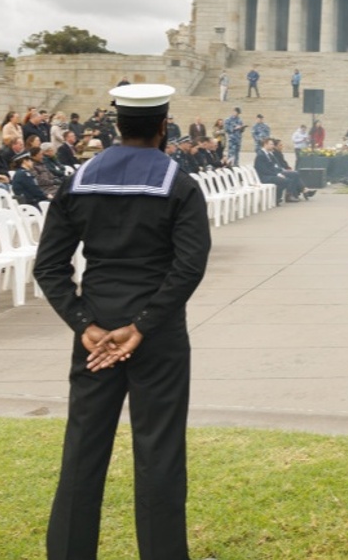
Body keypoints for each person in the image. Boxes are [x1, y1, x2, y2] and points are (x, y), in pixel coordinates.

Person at [35, 84, 213, 560]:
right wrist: (143, 325)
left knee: (83, 449)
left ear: (116, 124)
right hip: (156, 332)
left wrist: (83, 323)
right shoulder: (179, 182)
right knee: (159, 451)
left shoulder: (79, 180)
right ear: (163, 125)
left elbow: (49, 265)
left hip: (94, 328)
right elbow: (189, 265)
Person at [254, 137, 308, 203]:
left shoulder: (269, 154)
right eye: (271, 144)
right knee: (285, 180)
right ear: (265, 144)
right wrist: (277, 174)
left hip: (272, 173)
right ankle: (278, 198)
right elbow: (263, 170)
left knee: (294, 174)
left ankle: (290, 195)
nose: (273, 146)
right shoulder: (261, 155)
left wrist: (281, 171)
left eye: (273, 144)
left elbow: (275, 166)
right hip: (264, 176)